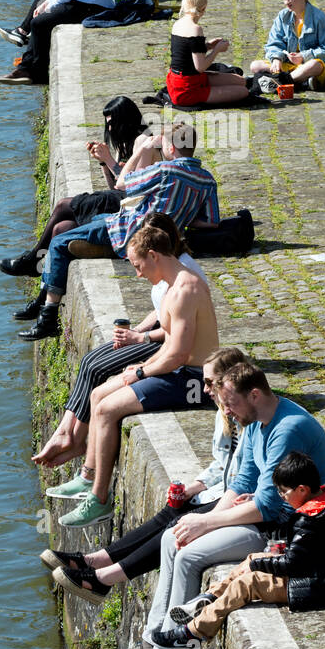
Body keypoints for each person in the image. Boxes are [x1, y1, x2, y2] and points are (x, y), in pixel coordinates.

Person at [111, 360, 325, 649]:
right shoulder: (256, 421)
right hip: (260, 514)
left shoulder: (287, 429)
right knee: (174, 537)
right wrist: (207, 517)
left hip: (281, 529)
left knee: (189, 555)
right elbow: (243, 478)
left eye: (231, 402)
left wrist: (207, 522)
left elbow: (270, 506)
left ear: (255, 394)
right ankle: (153, 639)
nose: (226, 410)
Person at [39, 222, 219, 527]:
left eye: (138, 265)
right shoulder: (173, 286)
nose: (137, 273)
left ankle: (99, 501)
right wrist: (132, 371)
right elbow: (171, 344)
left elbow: (178, 354)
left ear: (153, 255)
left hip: (193, 380)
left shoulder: (186, 289)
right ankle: (89, 476)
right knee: (99, 392)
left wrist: (138, 372)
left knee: (108, 409)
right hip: (178, 371)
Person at [41, 344, 245, 598]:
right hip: (223, 491)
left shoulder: (250, 420)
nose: (204, 390)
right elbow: (222, 464)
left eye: (209, 382)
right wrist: (196, 485)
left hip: (239, 500)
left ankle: (104, 578)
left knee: (177, 525)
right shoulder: (224, 415)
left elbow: (247, 477)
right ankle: (93, 561)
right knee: (173, 509)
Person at [16, 120, 219, 341]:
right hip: (159, 237)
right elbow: (211, 222)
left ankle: (48, 317)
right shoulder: (207, 180)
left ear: (170, 148)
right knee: (64, 227)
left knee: (59, 241)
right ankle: (43, 298)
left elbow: (122, 184)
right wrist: (181, 214)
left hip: (128, 231)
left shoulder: (165, 170)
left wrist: (141, 149)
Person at [150, 451, 325, 649]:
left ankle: (194, 633)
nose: (281, 496)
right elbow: (314, 545)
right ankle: (210, 596)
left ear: (303, 489)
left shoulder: (308, 521)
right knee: (254, 556)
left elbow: (292, 565)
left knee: (249, 583)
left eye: (284, 491)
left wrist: (257, 566)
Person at [0, 97, 152, 272]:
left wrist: (109, 160)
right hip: (119, 202)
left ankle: (34, 259)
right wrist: (102, 163)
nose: (110, 129)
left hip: (134, 207)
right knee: (61, 228)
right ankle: (46, 292)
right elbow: (114, 187)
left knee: (63, 204)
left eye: (113, 123)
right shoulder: (122, 144)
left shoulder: (144, 142)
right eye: (107, 124)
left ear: (126, 119)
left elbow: (134, 188)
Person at [166, 0, 251, 107]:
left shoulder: (178, 24)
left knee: (241, 81)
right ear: (204, 7)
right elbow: (200, 67)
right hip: (187, 89)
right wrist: (217, 50)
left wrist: (209, 46)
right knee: (243, 91)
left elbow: (186, 53)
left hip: (180, 81)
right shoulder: (196, 29)